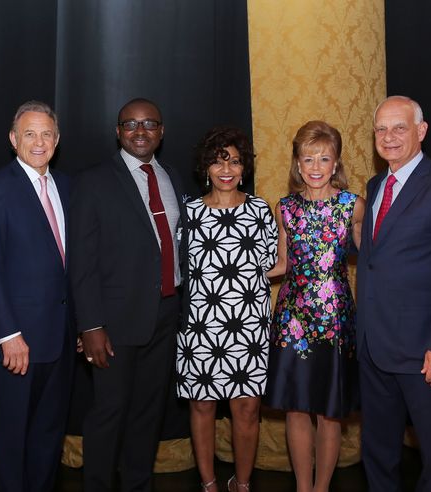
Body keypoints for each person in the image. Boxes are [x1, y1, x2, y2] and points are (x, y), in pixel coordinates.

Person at [357, 96, 431, 491]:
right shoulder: (376, 185)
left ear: (421, 131)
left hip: (426, 354)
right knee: (377, 454)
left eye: (399, 127)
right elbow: (375, 261)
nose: (388, 137)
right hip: (375, 349)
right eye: (381, 129)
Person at [70, 97, 185, 491]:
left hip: (167, 314)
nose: (140, 131)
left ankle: (139, 485)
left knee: (148, 413)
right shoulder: (93, 180)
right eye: (131, 125)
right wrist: (90, 325)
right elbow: (81, 262)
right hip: (114, 323)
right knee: (109, 413)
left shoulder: (171, 176)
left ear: (162, 131)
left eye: (149, 124)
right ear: (118, 132)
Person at [0, 101, 74, 492]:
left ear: (57, 140)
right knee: (14, 436)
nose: (39, 141)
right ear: (13, 140)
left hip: (61, 337)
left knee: (49, 434)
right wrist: (7, 333)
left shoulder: (67, 186)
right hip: (18, 342)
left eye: (46, 133)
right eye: (29, 133)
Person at [264, 120, 365, 492]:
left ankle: (322, 489)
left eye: (325, 158)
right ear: (298, 163)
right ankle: (303, 489)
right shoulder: (286, 208)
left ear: (336, 162)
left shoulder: (352, 206)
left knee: (329, 410)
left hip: (337, 319)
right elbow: (283, 263)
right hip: (293, 319)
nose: (317, 166)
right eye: (309, 158)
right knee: (295, 406)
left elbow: (374, 258)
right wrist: (242, 274)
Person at [177, 126, 277, 492]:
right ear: (206, 167)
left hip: (249, 330)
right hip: (200, 328)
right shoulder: (188, 214)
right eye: (218, 161)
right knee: (201, 407)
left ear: (243, 168)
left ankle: (242, 483)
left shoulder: (260, 211)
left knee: (247, 410)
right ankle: (208, 484)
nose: (226, 169)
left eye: (234, 162)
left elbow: (273, 264)